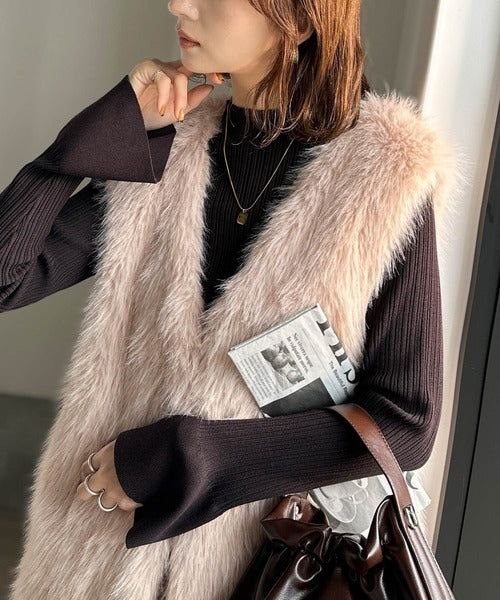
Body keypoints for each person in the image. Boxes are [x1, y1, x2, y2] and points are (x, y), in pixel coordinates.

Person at [2, 1, 460, 599]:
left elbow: (406, 421)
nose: (178, 4)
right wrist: (81, 145)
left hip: (258, 571)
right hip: (89, 559)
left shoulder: (384, 175)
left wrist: (199, 455)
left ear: (299, 17)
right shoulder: (163, 149)